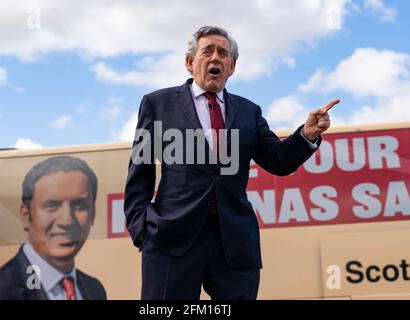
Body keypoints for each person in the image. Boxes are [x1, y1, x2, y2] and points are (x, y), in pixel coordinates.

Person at [124, 26, 339, 300]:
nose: (215, 58)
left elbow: (278, 161)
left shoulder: (249, 111)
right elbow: (140, 168)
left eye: (223, 53)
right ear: (190, 63)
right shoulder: (158, 104)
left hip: (234, 244)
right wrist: (141, 228)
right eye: (207, 52)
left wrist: (307, 134)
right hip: (171, 239)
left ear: (232, 66)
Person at [0, 156, 107, 300]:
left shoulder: (94, 289)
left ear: (93, 214)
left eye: (79, 205)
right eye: (52, 205)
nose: (67, 220)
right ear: (25, 215)